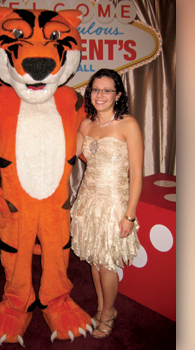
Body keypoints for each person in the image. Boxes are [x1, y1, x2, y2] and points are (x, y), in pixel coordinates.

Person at [70, 68, 144, 339]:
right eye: (95, 89)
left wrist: (130, 215)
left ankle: (109, 312)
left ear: (118, 94)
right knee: (93, 258)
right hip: (88, 200)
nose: (100, 95)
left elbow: (136, 174)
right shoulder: (86, 124)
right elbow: (73, 153)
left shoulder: (128, 124)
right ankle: (102, 309)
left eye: (106, 90)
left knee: (106, 264)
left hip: (114, 203)